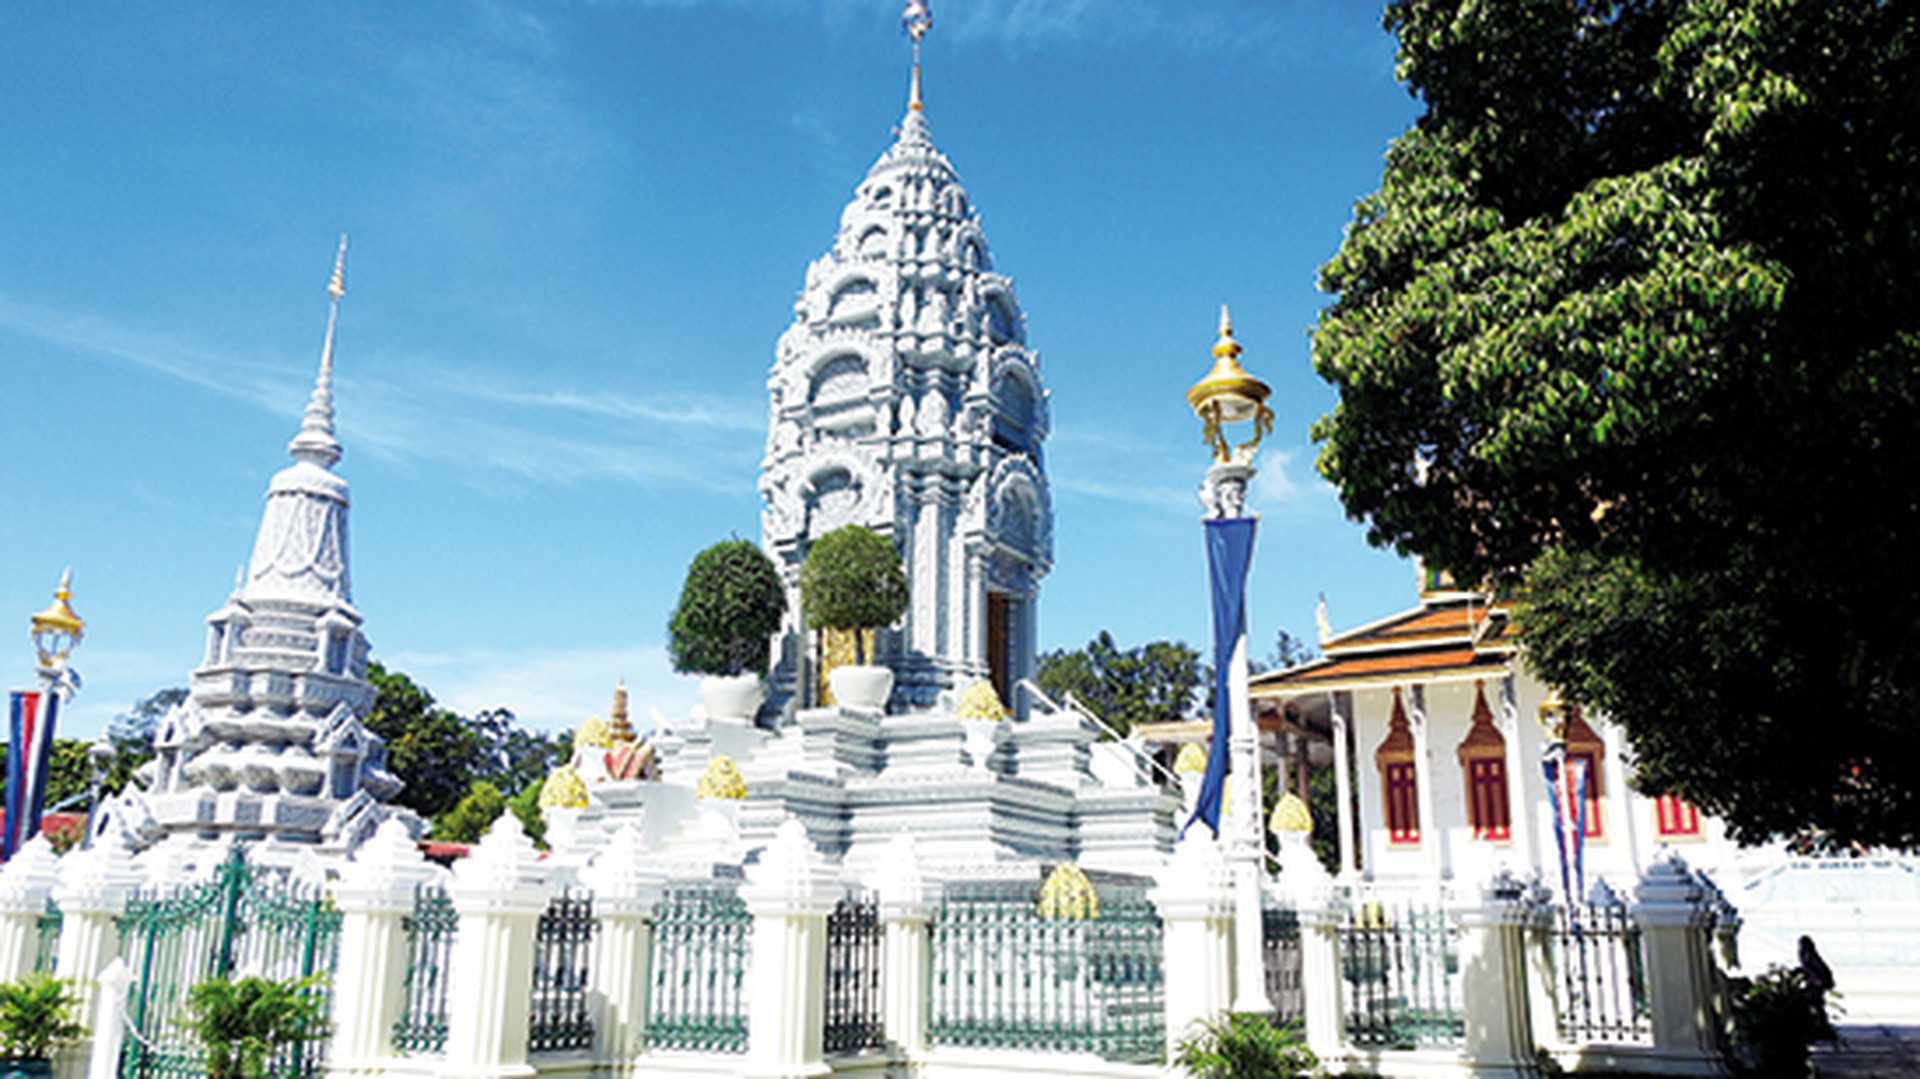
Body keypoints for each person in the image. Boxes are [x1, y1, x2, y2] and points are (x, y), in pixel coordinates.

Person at [1798, 935, 1837, 1041]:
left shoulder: (1809, 956)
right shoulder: (1810, 956)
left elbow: (1817, 971)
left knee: (1815, 1003)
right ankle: (1820, 1026)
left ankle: (1821, 1027)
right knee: (1816, 1004)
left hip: (1817, 984)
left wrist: (1816, 981)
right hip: (1816, 983)